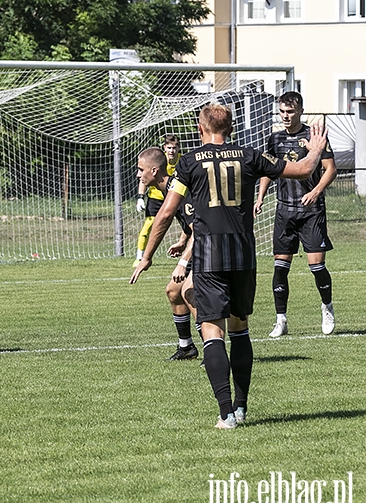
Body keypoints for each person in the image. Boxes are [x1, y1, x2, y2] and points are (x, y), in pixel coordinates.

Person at [131, 103, 327, 429]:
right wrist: (317, 149)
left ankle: (225, 414)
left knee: (212, 332)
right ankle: (241, 407)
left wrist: (147, 256)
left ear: (200, 129)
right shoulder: (250, 156)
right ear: (232, 129)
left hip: (208, 257)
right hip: (243, 255)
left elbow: (165, 213)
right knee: (240, 329)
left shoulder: (191, 162)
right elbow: (305, 169)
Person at [255, 92, 337, 338]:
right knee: (280, 268)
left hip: (311, 212)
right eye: (281, 112)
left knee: (316, 266)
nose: (285, 116)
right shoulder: (275, 139)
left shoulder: (314, 137)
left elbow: (331, 169)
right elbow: (267, 170)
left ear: (300, 111)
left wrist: (315, 191)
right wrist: (260, 198)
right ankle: (281, 320)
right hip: (284, 210)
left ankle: (327, 308)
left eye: (290, 112)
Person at [135, 147, 198, 361]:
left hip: (209, 245)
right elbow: (190, 222)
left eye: (140, 169)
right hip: (195, 243)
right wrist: (182, 241)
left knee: (190, 293)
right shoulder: (168, 189)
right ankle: (187, 347)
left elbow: (199, 229)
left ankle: (213, 350)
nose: (138, 174)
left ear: (154, 171)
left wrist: (183, 261)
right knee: (173, 291)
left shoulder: (178, 189)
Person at [134, 134, 181, 267]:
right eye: (169, 148)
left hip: (173, 197)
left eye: (174, 147)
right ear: (164, 148)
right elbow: (144, 179)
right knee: (149, 225)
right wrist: (140, 197)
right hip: (156, 198)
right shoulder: (156, 160)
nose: (171, 151)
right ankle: (139, 257)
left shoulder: (183, 162)